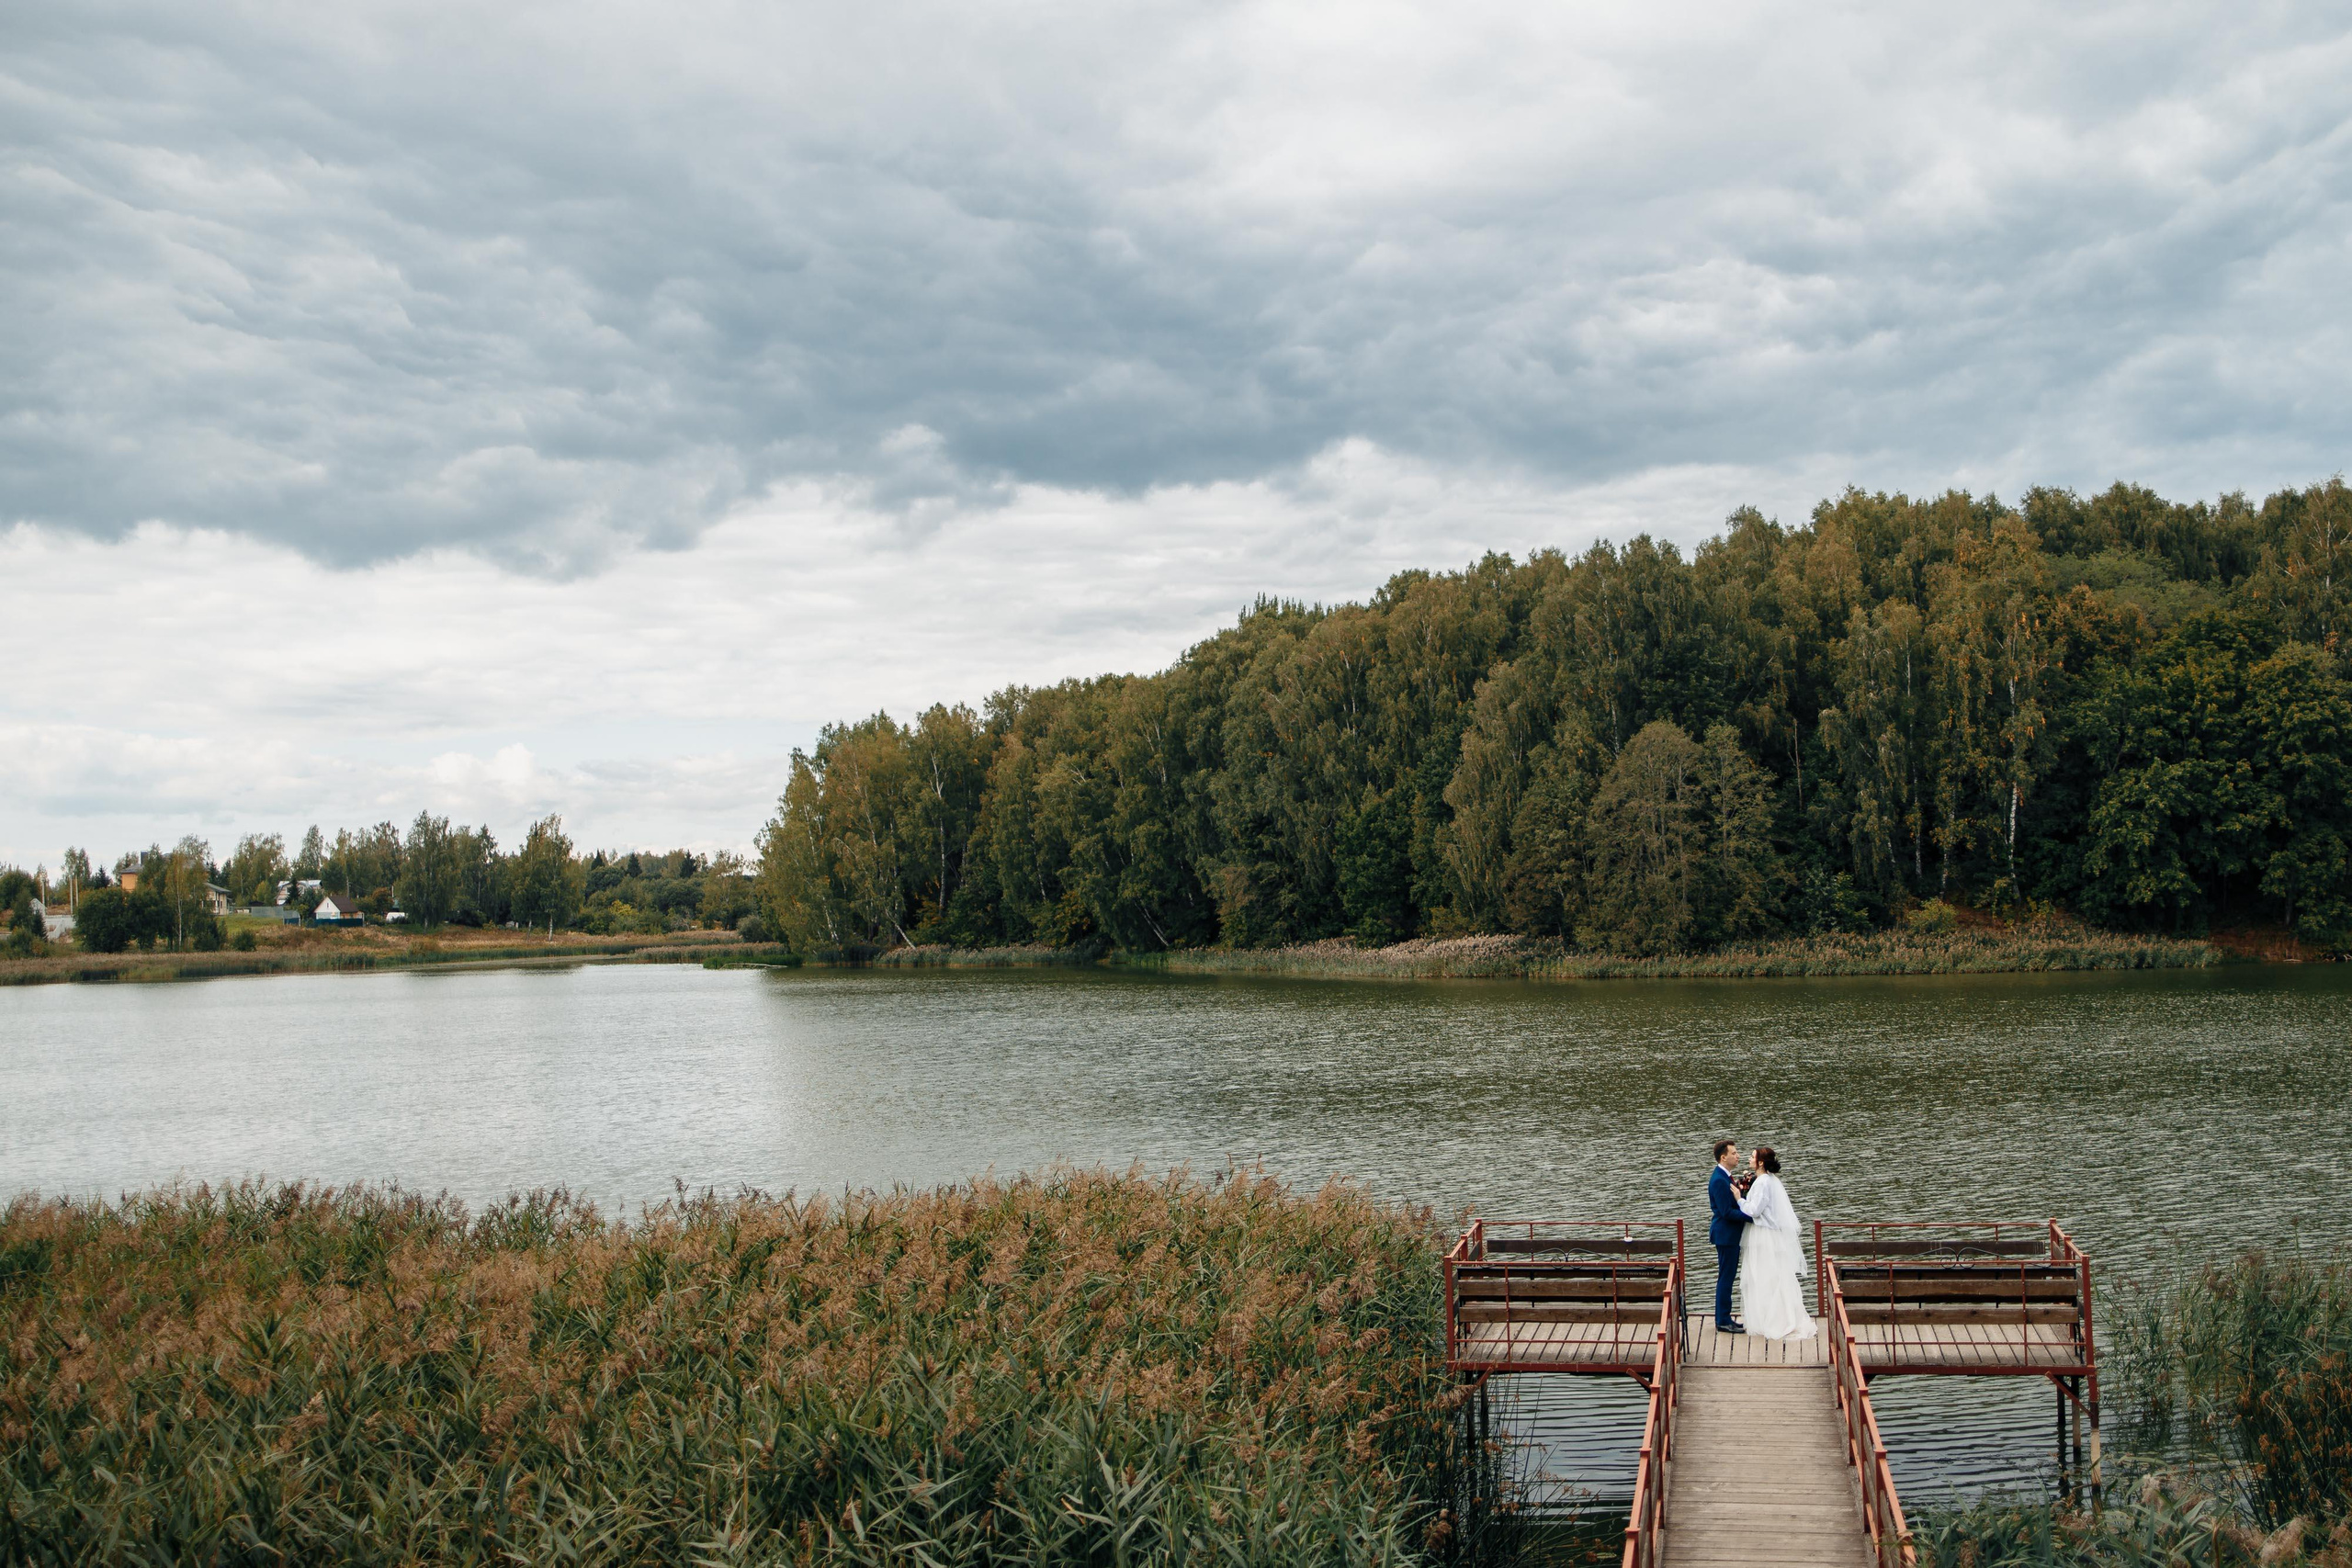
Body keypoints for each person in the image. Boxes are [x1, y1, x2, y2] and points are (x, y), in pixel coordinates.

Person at [1734, 1145, 1816, 1340]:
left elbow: (1754, 1211)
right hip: (1766, 1233)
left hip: (1763, 1234)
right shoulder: (1768, 1180)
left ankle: (1774, 1319)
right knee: (1770, 1275)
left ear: (1761, 1162)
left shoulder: (1763, 1182)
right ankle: (1771, 1316)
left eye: (1752, 1156)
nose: (1749, 1159)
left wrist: (1739, 1199)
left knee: (1765, 1275)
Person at [1707, 1138, 1749, 1332]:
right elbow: (1726, 1212)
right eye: (1734, 1153)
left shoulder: (1726, 1176)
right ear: (1723, 1157)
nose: (1738, 1156)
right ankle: (1723, 1320)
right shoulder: (1718, 1180)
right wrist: (1751, 1217)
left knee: (1728, 1276)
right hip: (1725, 1235)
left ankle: (1725, 1318)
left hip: (1729, 1235)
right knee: (1726, 1277)